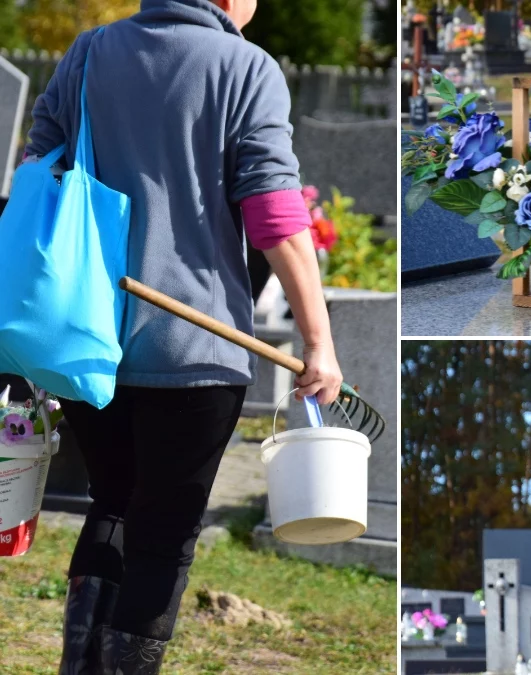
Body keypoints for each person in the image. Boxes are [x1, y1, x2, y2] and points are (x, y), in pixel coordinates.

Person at [23, 1, 343, 672]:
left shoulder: (90, 52)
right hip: (195, 346)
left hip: (86, 337)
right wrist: (319, 338)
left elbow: (38, 165)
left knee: (111, 502)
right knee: (163, 539)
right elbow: (275, 212)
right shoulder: (245, 67)